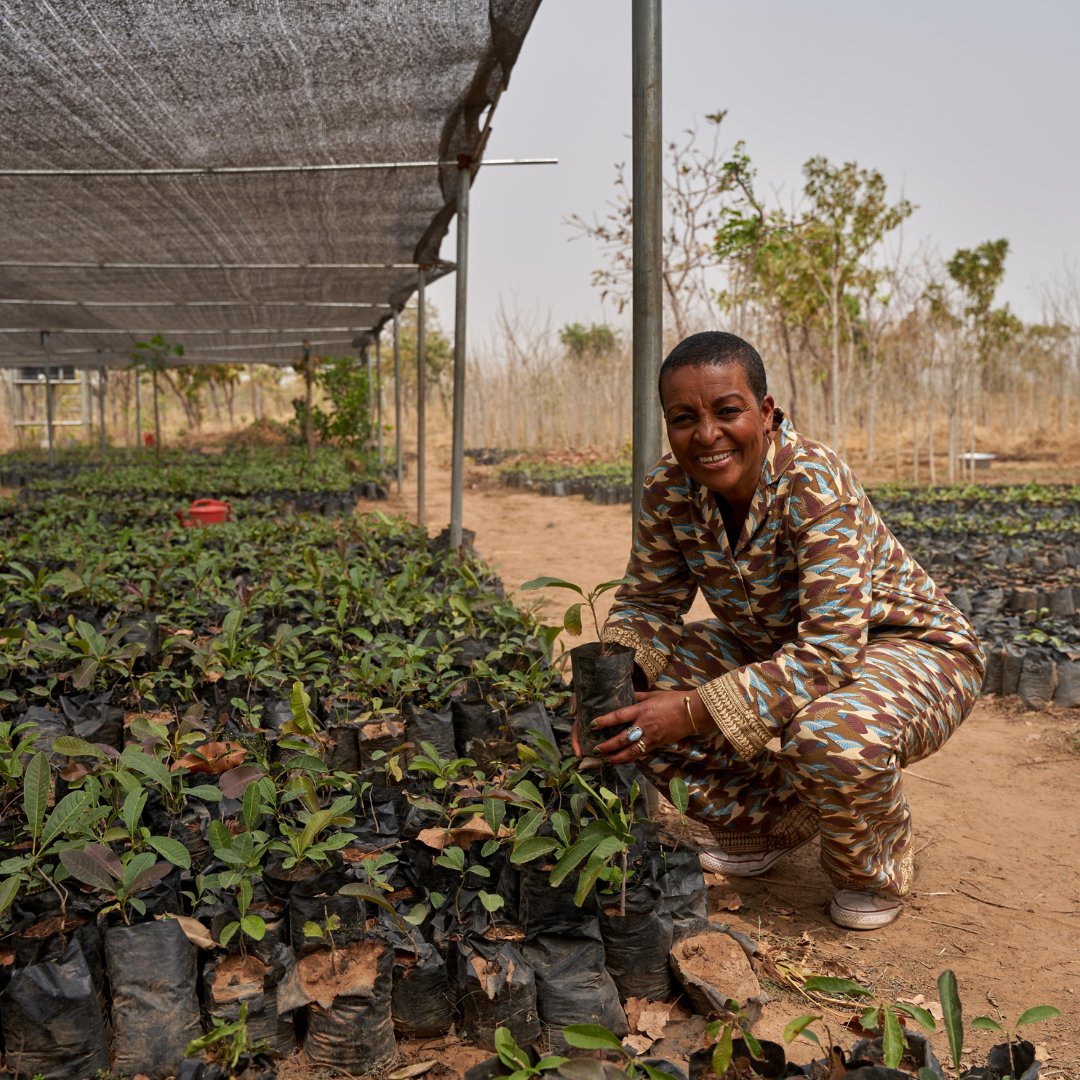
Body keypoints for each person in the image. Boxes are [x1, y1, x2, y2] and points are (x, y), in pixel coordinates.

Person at [587, 331, 984, 930]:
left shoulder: (812, 481)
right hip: (781, 646)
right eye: (684, 418)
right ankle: (771, 821)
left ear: (766, 412)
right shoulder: (668, 491)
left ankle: (873, 865)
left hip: (907, 649)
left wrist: (692, 711)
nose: (707, 435)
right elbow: (647, 601)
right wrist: (607, 691)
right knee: (633, 697)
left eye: (727, 411)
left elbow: (830, 650)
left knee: (830, 735)